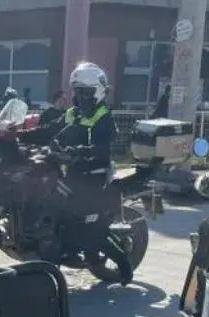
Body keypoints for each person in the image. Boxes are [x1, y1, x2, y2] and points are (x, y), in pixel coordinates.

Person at [42, 62, 132, 277]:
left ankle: (123, 264)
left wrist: (77, 151)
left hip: (94, 177)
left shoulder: (104, 116)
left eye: (85, 92)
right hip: (73, 173)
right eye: (78, 91)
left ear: (97, 92)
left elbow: (102, 150)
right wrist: (17, 134)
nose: (80, 96)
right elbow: (51, 130)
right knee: (48, 203)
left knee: (86, 229)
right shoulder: (73, 113)